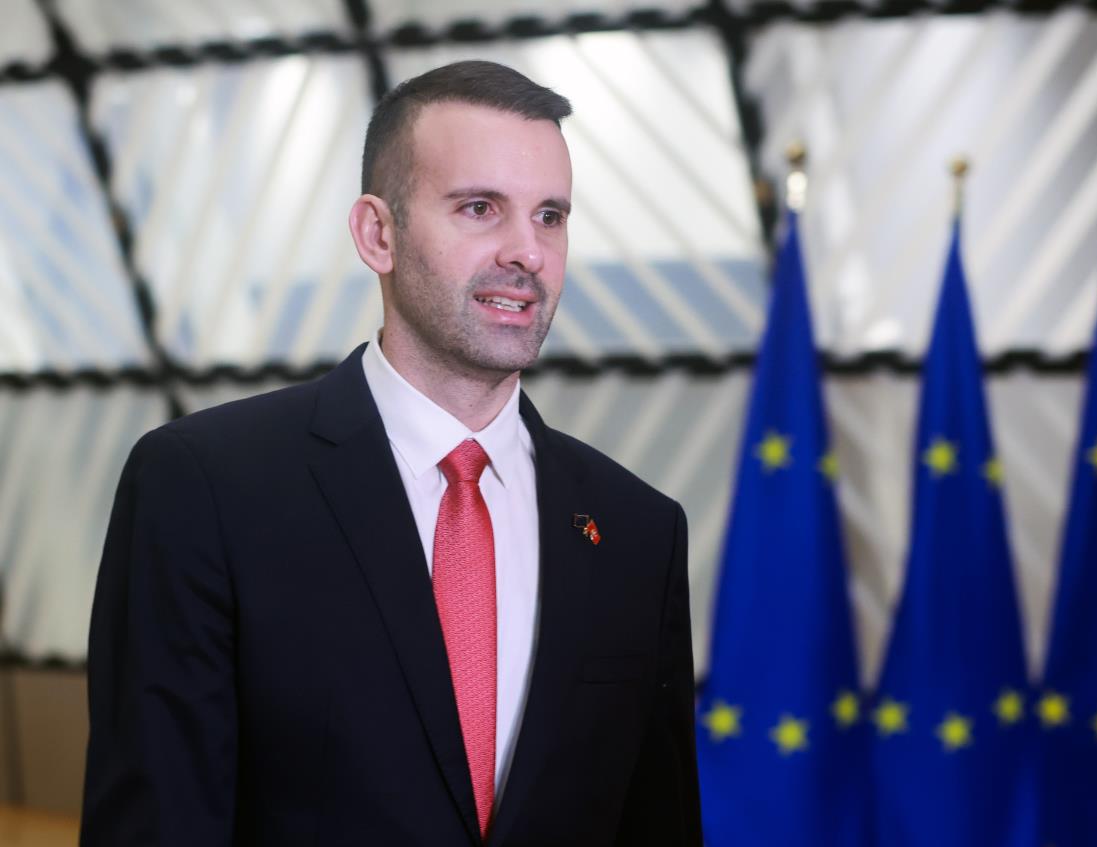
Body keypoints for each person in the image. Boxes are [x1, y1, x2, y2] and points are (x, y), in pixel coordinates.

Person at [81, 60, 702, 846]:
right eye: (480, 208)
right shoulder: (205, 489)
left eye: (550, 215)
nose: (528, 252)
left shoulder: (638, 532)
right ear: (378, 234)